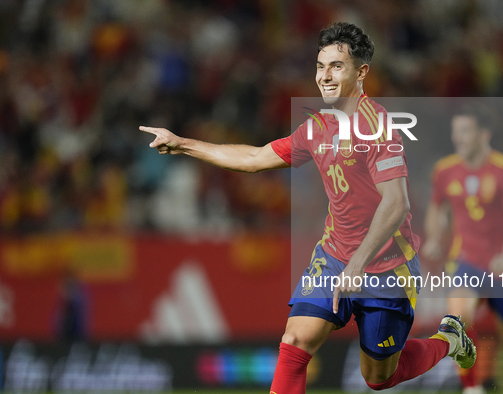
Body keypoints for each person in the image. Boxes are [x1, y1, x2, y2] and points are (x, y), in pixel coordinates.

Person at [141, 22, 475, 393]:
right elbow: (254, 158)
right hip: (334, 258)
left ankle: (450, 341)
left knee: (379, 377)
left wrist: (360, 263)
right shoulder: (316, 128)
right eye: (320, 66)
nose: (325, 76)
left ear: (361, 72)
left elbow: (396, 203)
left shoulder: (378, 125)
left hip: (386, 269)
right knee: (295, 342)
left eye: (336, 66)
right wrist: (182, 144)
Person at [422, 103, 503, 394]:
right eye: (455, 131)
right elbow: (437, 211)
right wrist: (435, 238)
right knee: (457, 319)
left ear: (484, 135)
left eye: (464, 131)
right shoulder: (445, 171)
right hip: (465, 261)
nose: (457, 137)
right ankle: (472, 388)